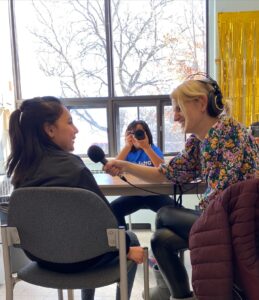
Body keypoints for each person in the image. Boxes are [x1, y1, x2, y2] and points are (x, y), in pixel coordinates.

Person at [103, 75, 258, 300]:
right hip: (215, 217)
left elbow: (224, 199)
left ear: (202, 103)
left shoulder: (230, 132)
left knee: (165, 213)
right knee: (160, 240)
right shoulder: (199, 140)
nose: (174, 116)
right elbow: (166, 173)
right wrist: (124, 165)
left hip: (235, 224)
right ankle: (182, 296)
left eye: (178, 108)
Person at [6, 96, 144, 300]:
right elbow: (109, 224)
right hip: (84, 261)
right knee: (129, 238)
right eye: (69, 122)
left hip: (42, 260)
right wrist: (125, 249)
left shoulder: (21, 173)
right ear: (50, 129)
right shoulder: (75, 168)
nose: (76, 129)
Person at [110, 120, 174, 227]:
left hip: (154, 194)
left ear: (146, 134)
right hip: (133, 194)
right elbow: (113, 167)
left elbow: (163, 169)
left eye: (138, 132)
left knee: (178, 211)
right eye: (131, 133)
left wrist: (146, 147)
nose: (135, 136)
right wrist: (127, 147)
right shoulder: (128, 152)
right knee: (111, 210)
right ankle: (124, 240)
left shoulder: (153, 149)